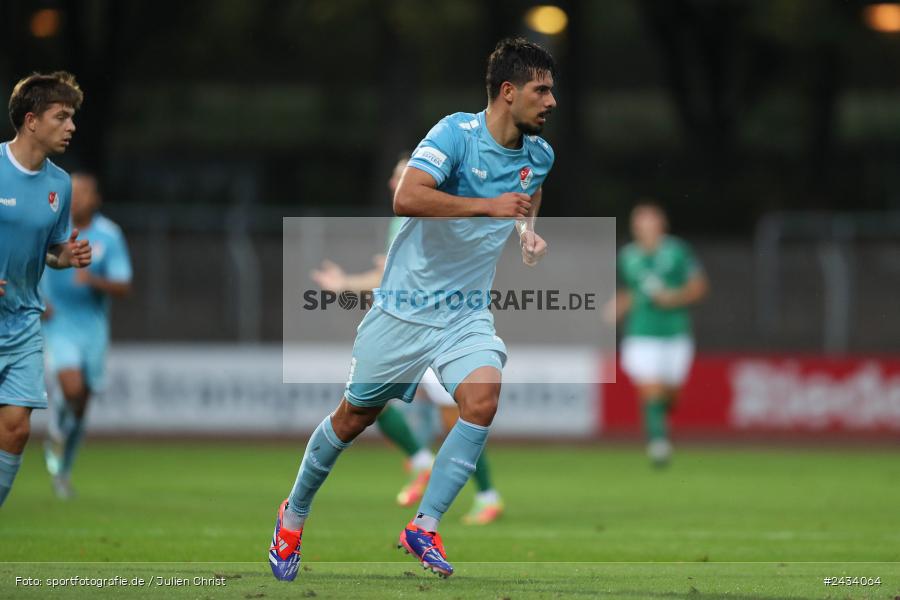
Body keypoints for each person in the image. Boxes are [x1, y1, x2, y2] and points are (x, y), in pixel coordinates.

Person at [270, 37, 556, 580]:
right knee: (354, 418)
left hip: (464, 314)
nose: (551, 101)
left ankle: (423, 525)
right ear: (508, 91)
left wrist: (525, 231)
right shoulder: (455, 133)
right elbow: (407, 196)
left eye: (553, 90)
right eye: (541, 90)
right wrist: (486, 207)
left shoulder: (540, 154)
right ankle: (293, 514)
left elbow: (529, 190)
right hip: (402, 310)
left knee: (482, 400)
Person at [311, 154, 505, 524]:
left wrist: (347, 284)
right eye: (396, 175)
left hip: (440, 332)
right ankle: (422, 463)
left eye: (401, 176)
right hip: (409, 333)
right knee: (369, 402)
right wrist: (349, 283)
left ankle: (487, 494)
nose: (392, 183)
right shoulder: (400, 220)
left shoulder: (432, 219)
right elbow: (389, 276)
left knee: (459, 420)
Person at [0, 71, 91, 507]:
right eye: (61, 116)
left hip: (21, 323)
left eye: (72, 117)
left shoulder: (60, 184)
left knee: (16, 428)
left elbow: (53, 251)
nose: (70, 126)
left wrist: (65, 257)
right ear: (31, 120)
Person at [41, 171, 132, 498]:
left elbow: (123, 285)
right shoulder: (52, 226)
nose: (75, 199)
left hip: (93, 329)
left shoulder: (110, 235)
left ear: (96, 199)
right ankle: (56, 425)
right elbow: (32, 262)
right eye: (71, 193)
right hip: (58, 324)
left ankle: (63, 470)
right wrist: (39, 300)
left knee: (81, 405)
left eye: (82, 193)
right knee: (72, 385)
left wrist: (94, 281)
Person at [604, 201, 709, 467]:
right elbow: (632, 291)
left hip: (675, 332)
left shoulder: (678, 251)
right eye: (639, 224)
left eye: (649, 223)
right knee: (651, 389)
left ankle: (660, 423)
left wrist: (674, 297)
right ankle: (658, 444)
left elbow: (699, 287)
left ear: (662, 225)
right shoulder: (628, 256)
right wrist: (617, 306)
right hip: (641, 333)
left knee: (670, 395)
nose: (644, 229)